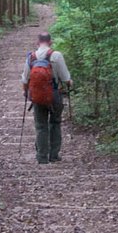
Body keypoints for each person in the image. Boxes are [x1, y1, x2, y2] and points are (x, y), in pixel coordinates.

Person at [21, 32, 73, 164]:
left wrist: (26, 93)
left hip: (38, 96)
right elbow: (66, 78)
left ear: (37, 42)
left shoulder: (31, 57)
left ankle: (42, 156)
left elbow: (25, 79)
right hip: (55, 94)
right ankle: (54, 155)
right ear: (50, 42)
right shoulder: (56, 55)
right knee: (55, 123)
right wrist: (69, 83)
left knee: (40, 126)